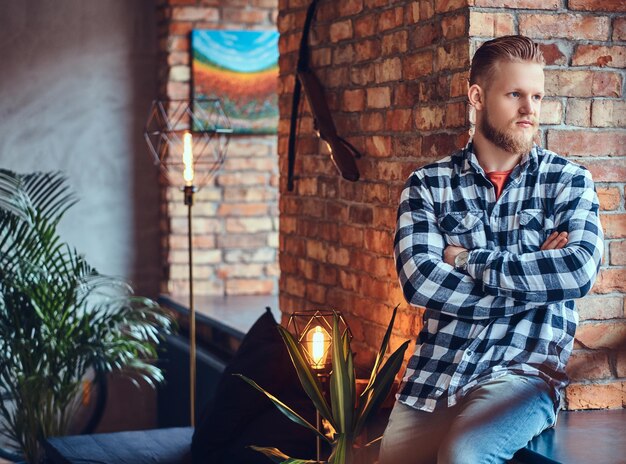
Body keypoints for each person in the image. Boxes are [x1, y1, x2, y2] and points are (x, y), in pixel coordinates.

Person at [379, 35, 604, 464]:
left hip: (523, 374)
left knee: (465, 454)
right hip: (436, 374)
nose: (530, 109)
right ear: (477, 97)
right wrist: (534, 284)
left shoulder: (568, 182)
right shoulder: (428, 185)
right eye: (515, 94)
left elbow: (577, 272)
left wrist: (466, 259)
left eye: (536, 95)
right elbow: (421, 282)